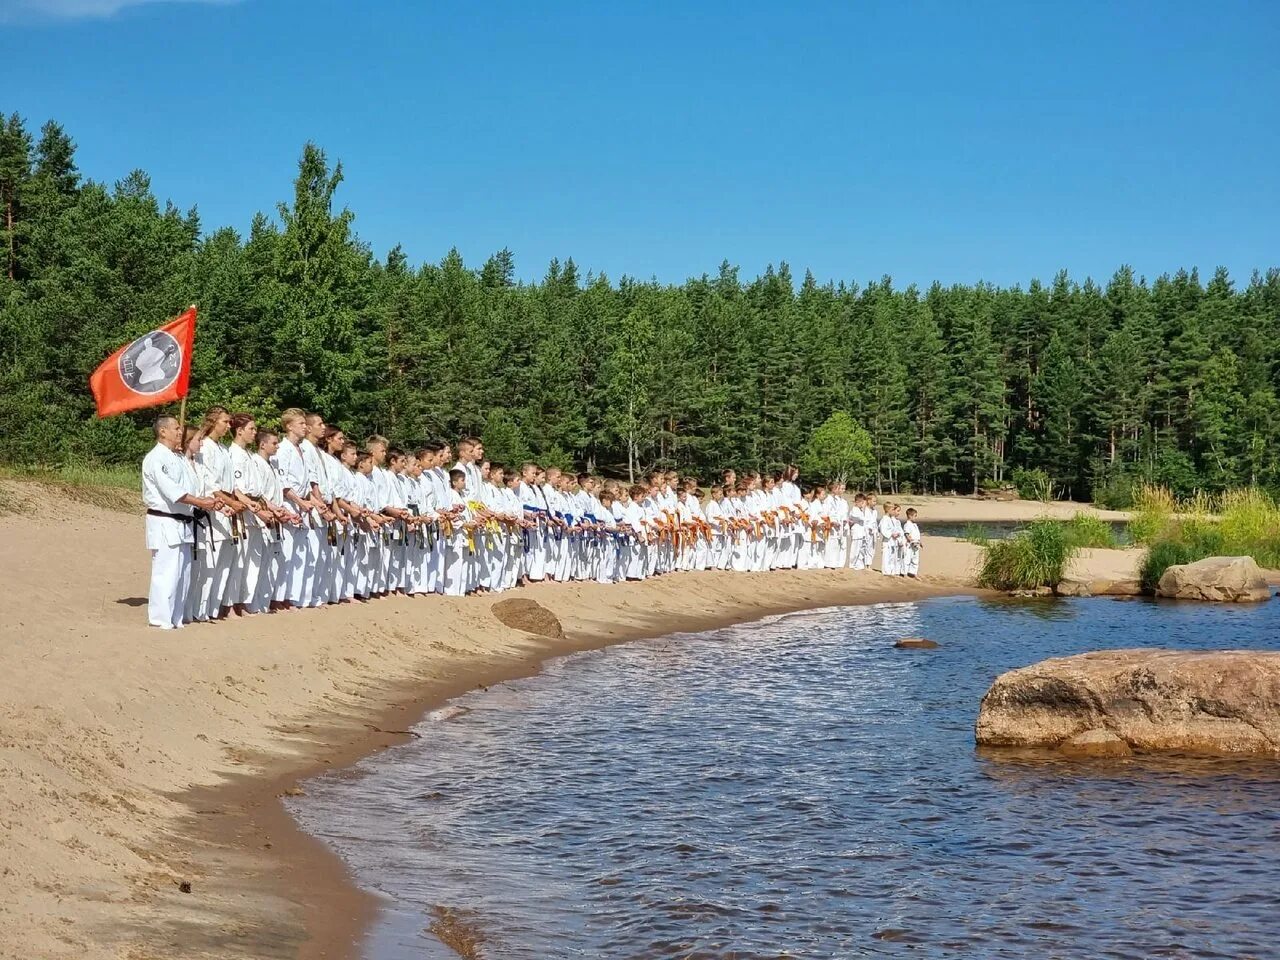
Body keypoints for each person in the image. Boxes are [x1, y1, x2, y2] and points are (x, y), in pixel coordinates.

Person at [142, 415, 222, 629]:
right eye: (176, 428)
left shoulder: (177, 458)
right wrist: (200, 502)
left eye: (180, 428)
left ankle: (175, 617)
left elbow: (192, 485)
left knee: (182, 573)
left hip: (184, 522)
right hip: (165, 521)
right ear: (163, 432)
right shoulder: (155, 458)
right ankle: (160, 619)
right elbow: (173, 491)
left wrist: (208, 501)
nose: (180, 432)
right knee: (166, 572)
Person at [903, 507, 922, 578]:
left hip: (916, 544)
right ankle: (905, 573)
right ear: (910, 516)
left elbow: (917, 535)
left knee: (915, 559)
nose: (915, 518)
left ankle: (913, 573)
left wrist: (920, 542)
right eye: (915, 516)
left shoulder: (915, 525)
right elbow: (906, 534)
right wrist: (910, 541)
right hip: (909, 545)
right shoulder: (907, 524)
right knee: (907, 558)